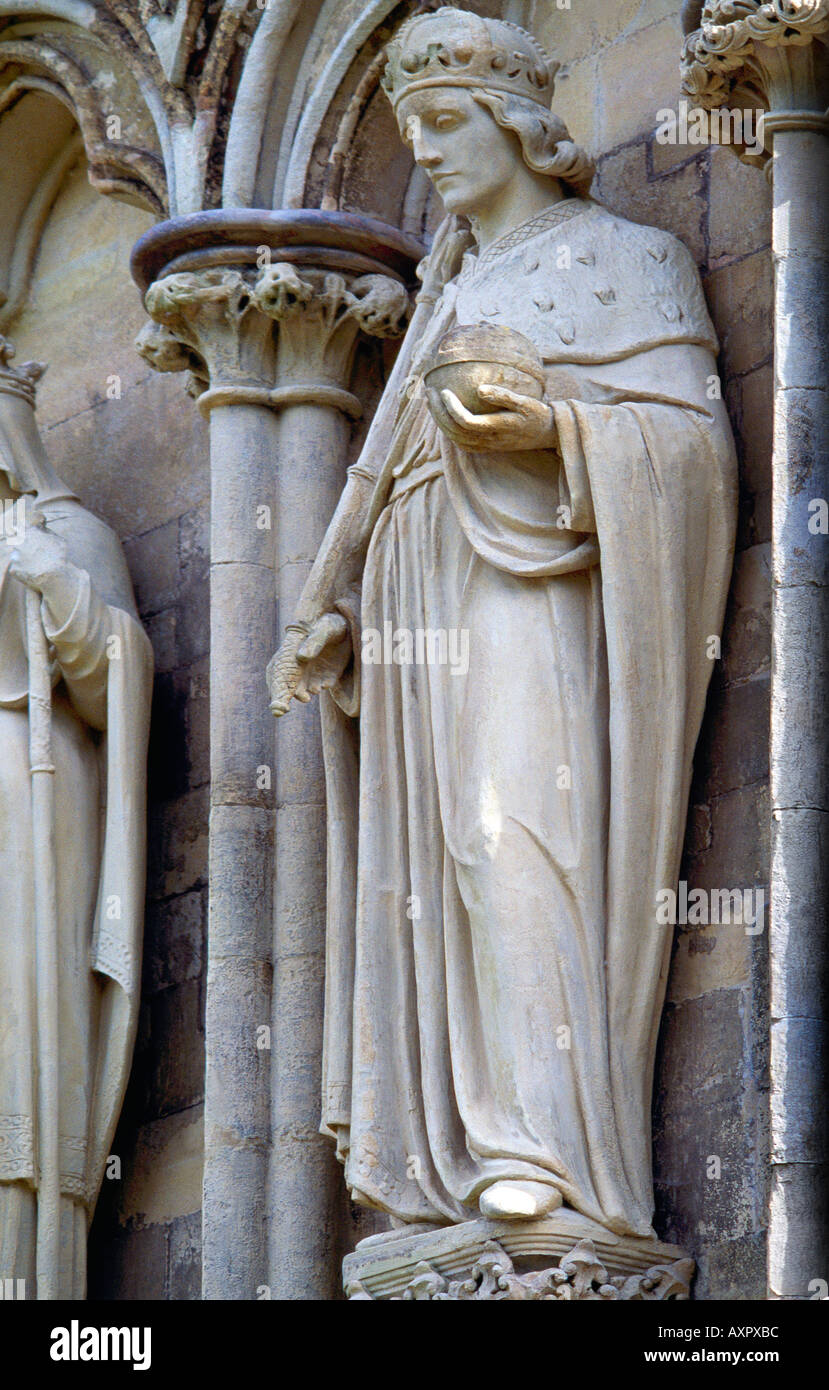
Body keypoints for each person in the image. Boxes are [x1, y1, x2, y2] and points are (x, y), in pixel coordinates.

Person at [267, 8, 737, 1236]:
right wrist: (347, 615)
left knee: (506, 832)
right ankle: (462, 1155)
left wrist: (557, 432)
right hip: (422, 587)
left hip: (535, 574)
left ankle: (552, 1150)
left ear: (521, 126)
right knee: (432, 863)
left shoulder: (623, 256)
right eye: (408, 131)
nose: (422, 152)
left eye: (441, 123)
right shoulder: (445, 292)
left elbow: (691, 449)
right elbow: (378, 482)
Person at [0, 338, 152, 1296]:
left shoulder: (59, 530)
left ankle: (30, 1278)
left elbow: (117, 676)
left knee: (19, 1041)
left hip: (26, 799)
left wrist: (51, 579)